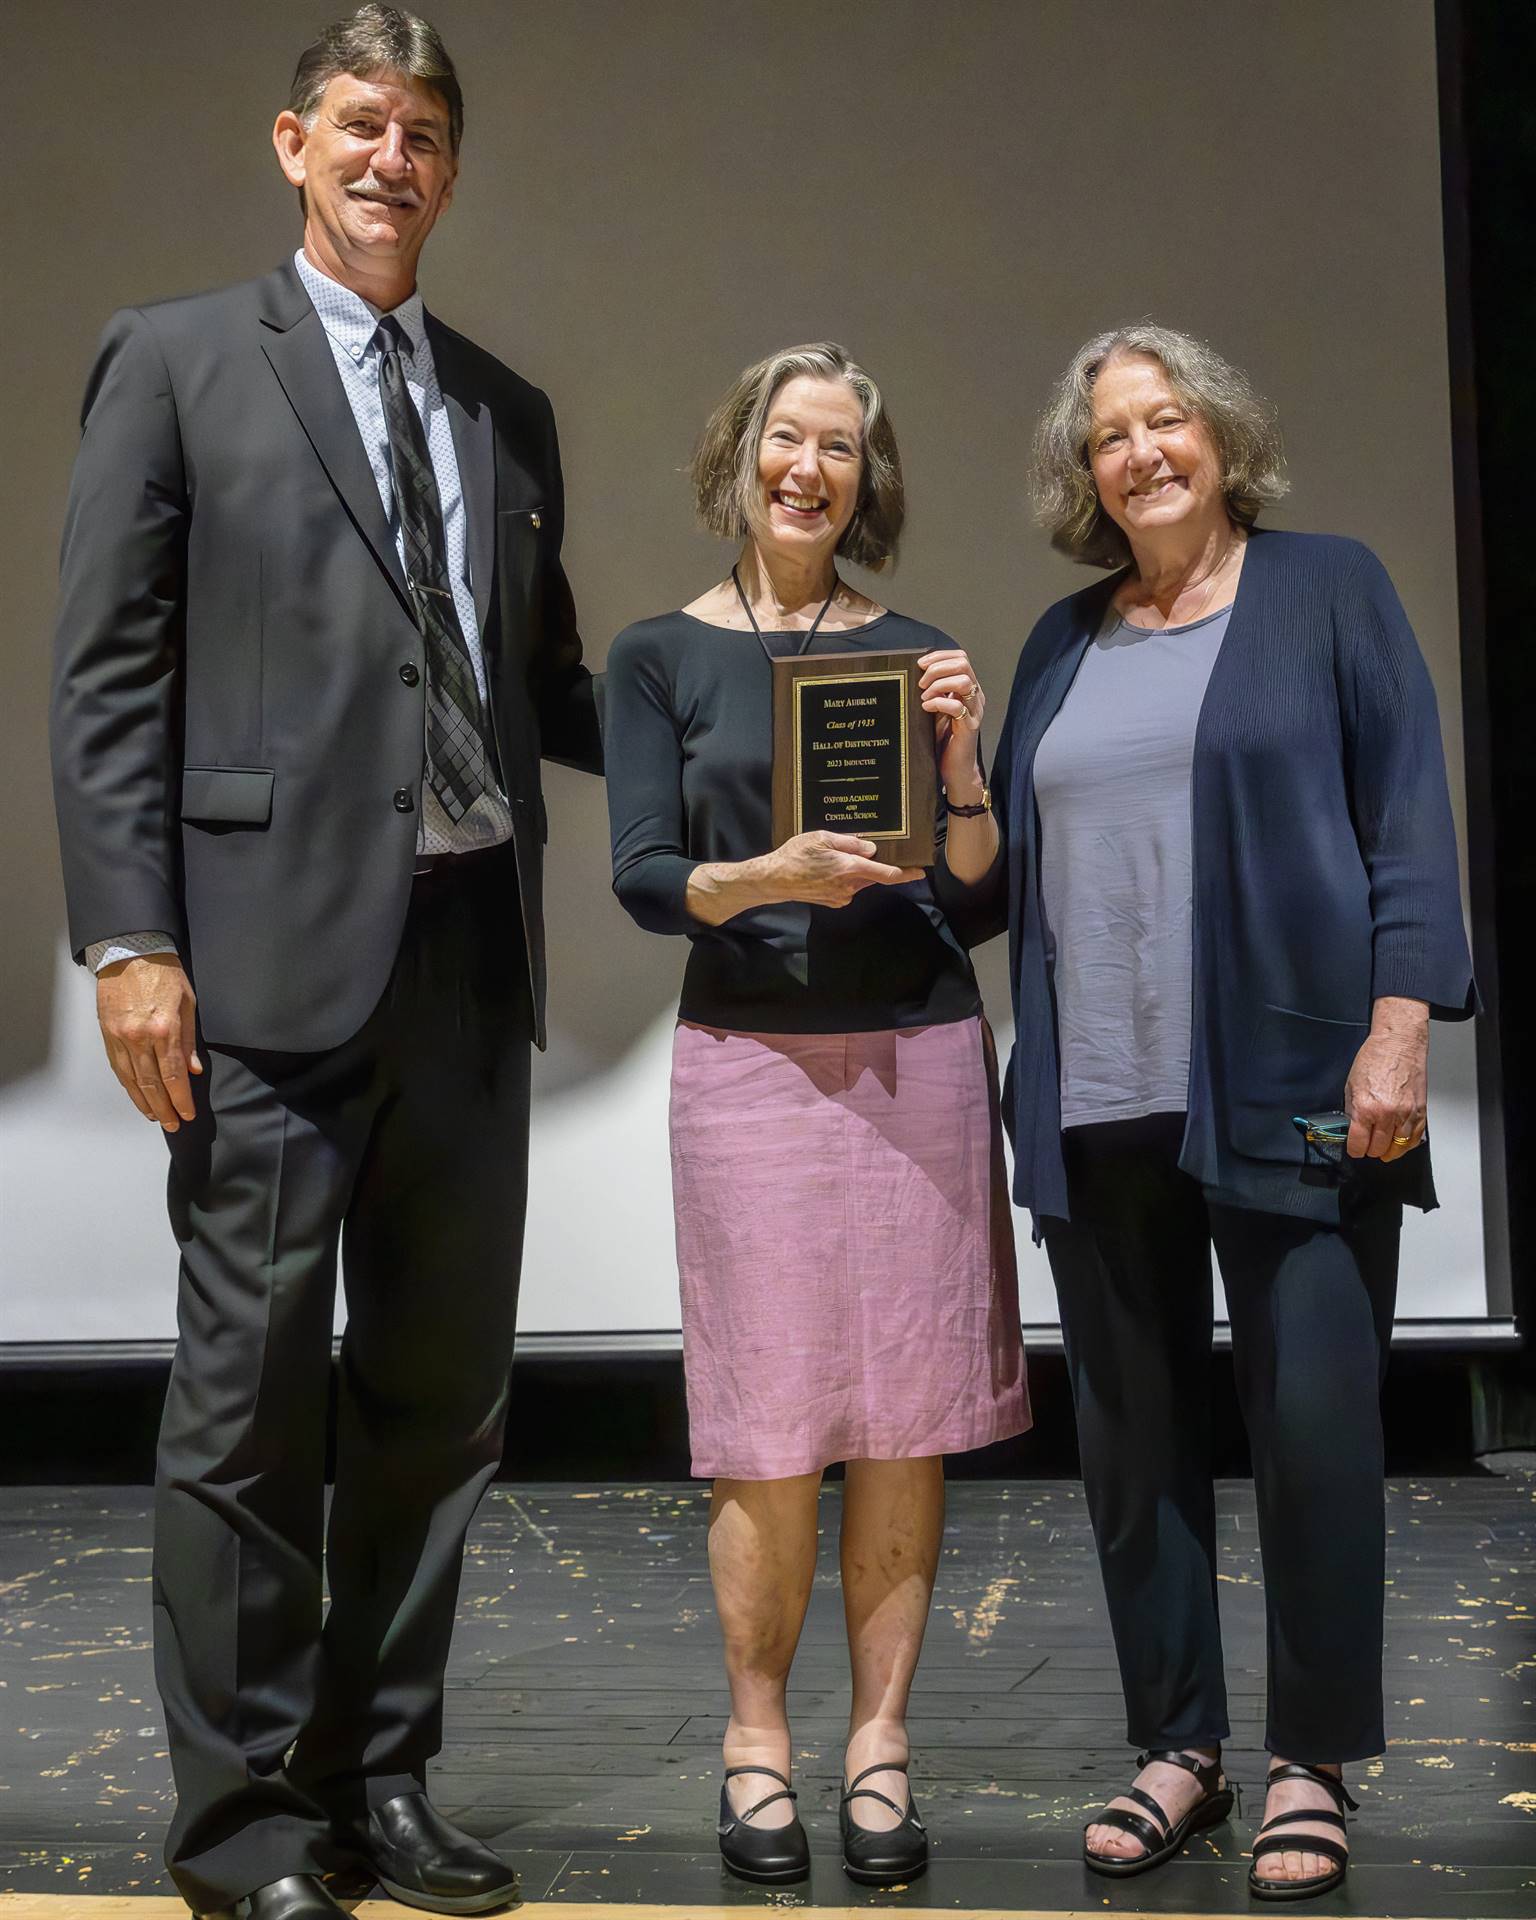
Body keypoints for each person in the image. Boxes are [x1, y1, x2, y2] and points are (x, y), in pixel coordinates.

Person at [49, 9, 600, 1916]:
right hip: (264, 970)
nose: (396, 157)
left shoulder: (505, 410)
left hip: (464, 967)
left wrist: (771, 702)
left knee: (439, 1413)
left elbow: (549, 697)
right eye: (363, 123)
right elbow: (107, 675)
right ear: (295, 142)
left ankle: (384, 1782)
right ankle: (244, 1826)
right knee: (249, 1409)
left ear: (452, 166)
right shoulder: (182, 360)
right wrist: (129, 938)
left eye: (428, 131)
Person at [964, 324, 1475, 1900]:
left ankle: (1310, 1760)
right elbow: (989, 882)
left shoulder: (1328, 589)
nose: (1141, 454)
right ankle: (1178, 1744)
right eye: (1108, 437)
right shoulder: (1061, 642)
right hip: (1095, 1105)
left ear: (1219, 435)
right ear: (1084, 475)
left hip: (1310, 1089)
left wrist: (1400, 1035)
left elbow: (1406, 817)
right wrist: (940, 771)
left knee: (1315, 1425)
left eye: (1164, 420)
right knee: (1132, 1446)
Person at [602, 343, 1029, 1887]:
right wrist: (773, 876)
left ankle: (883, 1750)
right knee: (768, 1426)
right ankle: (759, 1744)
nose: (809, 469)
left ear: (867, 478)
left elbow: (980, 892)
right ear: (739, 456)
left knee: (906, 1418)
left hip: (917, 1053)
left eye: (839, 448)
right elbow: (648, 879)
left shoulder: (916, 650)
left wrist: (965, 760)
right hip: (752, 1064)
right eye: (786, 438)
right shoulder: (656, 654)